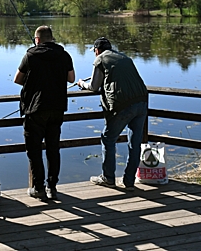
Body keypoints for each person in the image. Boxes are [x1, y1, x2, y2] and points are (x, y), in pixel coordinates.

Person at [78, 37, 148, 191]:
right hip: (142, 102)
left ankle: (108, 178)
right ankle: (129, 181)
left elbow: (94, 86)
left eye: (94, 52)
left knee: (108, 139)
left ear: (97, 50)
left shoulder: (100, 60)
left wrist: (82, 83)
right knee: (134, 143)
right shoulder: (124, 58)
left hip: (123, 105)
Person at [14, 26, 75, 201]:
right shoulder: (64, 55)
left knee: (34, 151)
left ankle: (38, 187)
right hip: (56, 108)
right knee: (53, 149)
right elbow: (71, 78)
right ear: (52, 38)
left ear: (37, 39)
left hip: (35, 109)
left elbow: (17, 79)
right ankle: (52, 187)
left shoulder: (30, 55)